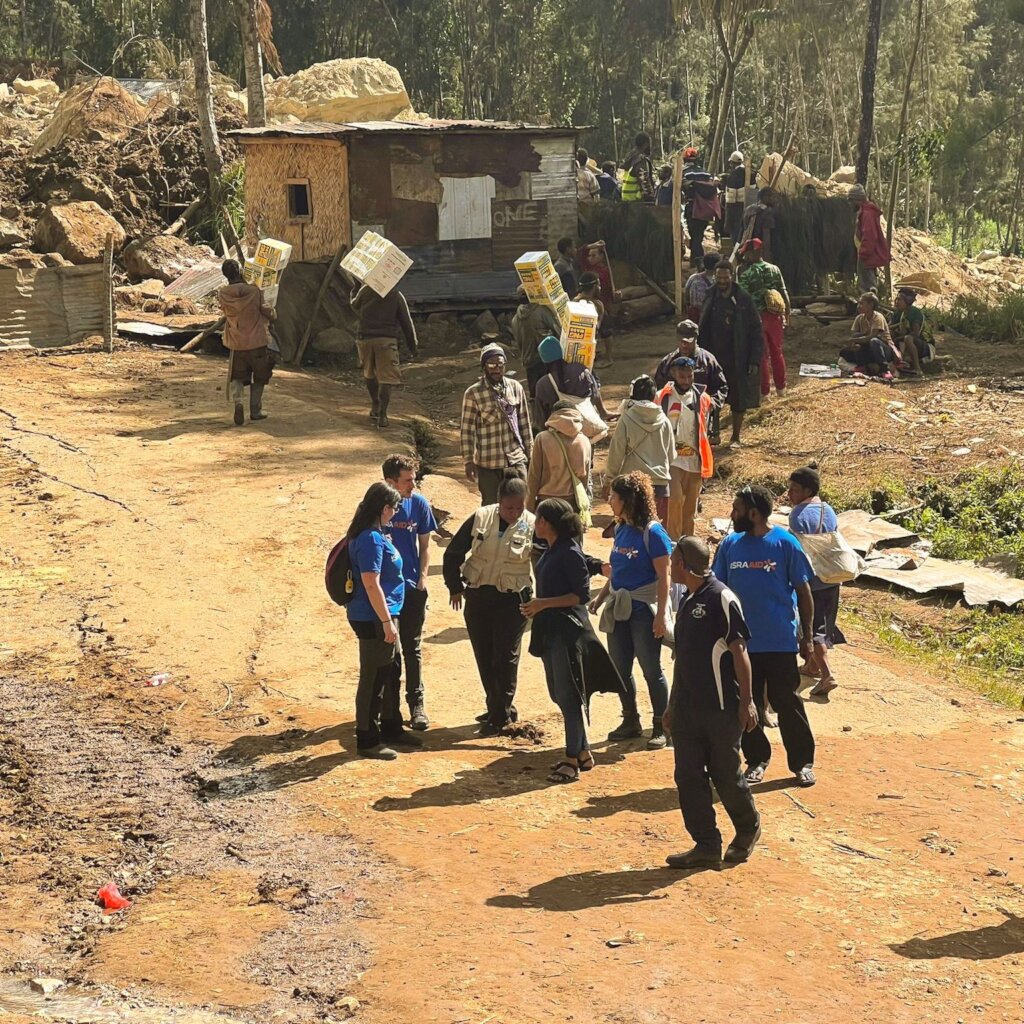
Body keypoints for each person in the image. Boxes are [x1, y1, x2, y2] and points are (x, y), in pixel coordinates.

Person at [662, 536, 760, 868]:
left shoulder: (722, 598)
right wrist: (672, 706)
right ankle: (706, 843)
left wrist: (747, 702)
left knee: (725, 774)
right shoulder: (688, 601)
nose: (671, 565)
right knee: (687, 776)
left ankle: (747, 829)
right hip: (688, 711)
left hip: (721, 708)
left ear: (682, 564)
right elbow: (683, 660)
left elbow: (740, 652)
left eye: (673, 560)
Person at [712, 485, 817, 788]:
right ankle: (756, 760)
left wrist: (807, 637)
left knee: (788, 702)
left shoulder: (785, 543)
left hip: (779, 641)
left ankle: (802, 763)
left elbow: (804, 591)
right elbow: (717, 589)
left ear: (754, 513)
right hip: (741, 644)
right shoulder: (730, 545)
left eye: (737, 509)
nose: (732, 515)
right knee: (747, 703)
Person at [523, 499, 626, 782]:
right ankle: (583, 751)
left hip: (568, 634)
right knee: (560, 693)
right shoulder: (557, 548)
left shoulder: (566, 552)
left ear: (548, 523)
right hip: (552, 632)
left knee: (569, 697)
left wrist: (542, 604)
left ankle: (570, 760)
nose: (536, 524)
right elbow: (583, 562)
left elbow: (579, 596)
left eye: (539, 519)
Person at [442, 470, 535, 733]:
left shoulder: (533, 524)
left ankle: (499, 716)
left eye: (519, 507)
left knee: (505, 657)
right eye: (508, 507)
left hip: (512, 600)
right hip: (479, 596)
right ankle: (499, 706)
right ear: (498, 501)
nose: (514, 513)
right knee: (484, 655)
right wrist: (454, 587)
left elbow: (546, 561)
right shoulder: (480, 517)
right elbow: (454, 553)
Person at [590, 472, 673, 749]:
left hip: (643, 611)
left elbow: (665, 576)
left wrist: (660, 615)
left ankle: (662, 725)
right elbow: (618, 571)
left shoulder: (653, 532)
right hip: (619, 607)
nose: (610, 501)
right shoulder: (622, 528)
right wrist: (602, 597)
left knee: (651, 669)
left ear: (627, 500)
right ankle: (631, 720)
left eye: (613, 497)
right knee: (620, 668)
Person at [345, 481, 420, 759]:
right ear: (384, 508)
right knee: (374, 677)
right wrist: (387, 622)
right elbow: (370, 583)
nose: (396, 512)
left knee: (391, 671)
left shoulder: (375, 534)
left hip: (385, 614)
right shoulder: (369, 539)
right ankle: (367, 738)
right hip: (376, 617)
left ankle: (391, 726)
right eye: (394, 507)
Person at [381, 454, 437, 731]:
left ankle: (417, 706)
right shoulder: (377, 507)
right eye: (407, 482)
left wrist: (423, 578)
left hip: (413, 587)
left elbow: (425, 545)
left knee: (412, 647)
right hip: (386, 591)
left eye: (414, 480)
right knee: (392, 650)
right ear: (391, 482)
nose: (412, 487)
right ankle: (389, 710)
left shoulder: (419, 503)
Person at [787, 465, 845, 699]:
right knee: (825, 623)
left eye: (794, 490)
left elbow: (796, 549)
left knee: (812, 628)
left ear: (807, 490)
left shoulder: (797, 515)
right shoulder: (828, 510)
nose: (789, 494)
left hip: (810, 579)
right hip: (832, 575)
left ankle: (827, 674)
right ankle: (811, 667)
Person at [698, 261, 763, 449]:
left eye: (726, 278)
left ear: (732, 277)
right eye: (719, 278)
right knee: (710, 395)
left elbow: (756, 330)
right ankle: (713, 433)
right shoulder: (710, 295)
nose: (722, 281)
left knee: (738, 398)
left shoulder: (743, 299)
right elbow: (702, 323)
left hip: (737, 357)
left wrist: (754, 359)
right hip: (712, 357)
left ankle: (735, 437)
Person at [460, 344, 533, 505]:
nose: (497, 369)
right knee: (491, 507)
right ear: (484, 367)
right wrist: (468, 461)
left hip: (515, 459)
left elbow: (525, 424)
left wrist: (531, 455)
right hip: (488, 463)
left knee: (520, 505)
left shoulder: (516, 388)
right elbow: (467, 431)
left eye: (500, 365)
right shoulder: (473, 393)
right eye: (492, 365)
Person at [656, 356, 715, 539]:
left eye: (690, 376)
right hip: (672, 459)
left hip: (695, 459)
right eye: (682, 377)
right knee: (674, 500)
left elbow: (706, 427)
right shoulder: (662, 397)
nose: (687, 381)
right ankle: (673, 542)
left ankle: (687, 543)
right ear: (674, 374)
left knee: (690, 506)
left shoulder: (702, 398)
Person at [351, 279, 419, 427]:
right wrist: (413, 347)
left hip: (365, 338)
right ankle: (383, 414)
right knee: (386, 378)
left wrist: (356, 287)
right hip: (386, 341)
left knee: (369, 374)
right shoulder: (396, 295)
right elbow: (407, 323)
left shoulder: (365, 290)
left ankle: (375, 403)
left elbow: (354, 306)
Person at [606, 375, 673, 522]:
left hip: (632, 485)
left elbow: (616, 451)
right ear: (655, 396)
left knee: (631, 530)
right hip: (660, 484)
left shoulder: (626, 418)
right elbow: (671, 455)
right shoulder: (665, 421)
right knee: (657, 530)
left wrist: (610, 478)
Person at [218, 259, 276, 426]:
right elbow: (267, 311)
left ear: (225, 275)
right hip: (257, 341)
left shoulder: (223, 294)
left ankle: (239, 403)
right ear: (240, 270)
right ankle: (255, 410)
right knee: (260, 375)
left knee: (236, 376)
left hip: (236, 343)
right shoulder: (254, 291)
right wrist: (273, 313)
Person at [738, 238, 791, 400]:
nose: (745, 257)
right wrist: (787, 314)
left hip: (756, 318)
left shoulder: (746, 274)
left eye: (747, 254)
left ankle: (765, 392)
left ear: (754, 252)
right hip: (775, 316)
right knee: (777, 353)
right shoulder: (774, 269)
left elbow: (742, 300)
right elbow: (783, 292)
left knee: (761, 356)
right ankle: (781, 389)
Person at [527, 400, 592, 514]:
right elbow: (584, 478)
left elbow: (534, 476)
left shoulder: (542, 438)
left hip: (546, 503)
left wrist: (529, 506)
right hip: (573, 503)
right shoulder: (585, 441)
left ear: (553, 416)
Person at [534, 335, 610, 424]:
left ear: (543, 359)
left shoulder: (543, 384)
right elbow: (595, 395)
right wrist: (602, 412)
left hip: (562, 431)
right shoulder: (580, 369)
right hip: (590, 425)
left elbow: (541, 417)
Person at [510, 285, 562, 398]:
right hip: (547, 360)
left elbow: (519, 343)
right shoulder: (541, 311)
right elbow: (558, 331)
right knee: (554, 392)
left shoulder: (515, 319)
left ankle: (537, 415)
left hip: (529, 361)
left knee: (535, 395)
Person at [841, 292, 899, 378]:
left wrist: (854, 340)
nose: (858, 306)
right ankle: (862, 366)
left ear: (870, 305)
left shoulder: (878, 317)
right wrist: (854, 343)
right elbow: (855, 335)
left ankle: (885, 369)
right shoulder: (859, 318)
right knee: (844, 352)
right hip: (869, 349)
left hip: (883, 350)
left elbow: (872, 337)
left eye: (861, 303)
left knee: (874, 341)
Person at [848, 184, 891, 293]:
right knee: (867, 285)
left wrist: (863, 253)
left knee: (867, 288)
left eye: (851, 201)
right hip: (865, 255)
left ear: (857, 200)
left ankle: (870, 308)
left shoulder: (867, 214)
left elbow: (870, 236)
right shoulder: (865, 212)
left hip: (867, 256)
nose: (850, 204)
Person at [683, 148, 720, 263]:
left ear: (685, 159)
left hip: (692, 207)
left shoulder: (684, 173)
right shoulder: (706, 173)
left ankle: (699, 260)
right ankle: (695, 260)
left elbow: (682, 188)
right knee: (698, 234)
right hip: (706, 210)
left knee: (694, 236)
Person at [576, 270, 615, 368]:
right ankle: (608, 358)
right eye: (599, 285)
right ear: (594, 287)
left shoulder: (574, 302)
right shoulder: (597, 305)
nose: (600, 287)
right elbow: (597, 328)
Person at [889, 287, 928, 377]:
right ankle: (895, 363)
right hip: (904, 343)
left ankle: (917, 368)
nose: (896, 302)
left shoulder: (915, 313)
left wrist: (899, 338)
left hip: (923, 345)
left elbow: (916, 334)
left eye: (900, 299)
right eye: (896, 299)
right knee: (890, 334)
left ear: (907, 301)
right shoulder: (899, 312)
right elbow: (889, 327)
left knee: (908, 338)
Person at [742, 187, 778, 262]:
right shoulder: (768, 213)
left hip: (748, 248)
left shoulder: (749, 209)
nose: (775, 199)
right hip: (761, 252)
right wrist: (767, 258)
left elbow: (744, 227)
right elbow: (766, 238)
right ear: (765, 197)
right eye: (773, 196)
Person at [683, 253, 719, 323]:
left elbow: (686, 294)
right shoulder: (718, 280)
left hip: (695, 314)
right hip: (711, 315)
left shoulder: (693, 278)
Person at [621, 132, 655, 203]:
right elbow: (645, 182)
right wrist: (651, 199)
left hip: (626, 201)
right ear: (646, 144)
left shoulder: (629, 157)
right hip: (636, 203)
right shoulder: (641, 160)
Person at [723, 150, 747, 244]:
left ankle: (736, 256)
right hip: (750, 211)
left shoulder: (733, 176)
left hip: (736, 212)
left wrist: (728, 222)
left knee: (736, 239)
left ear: (732, 163)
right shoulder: (752, 173)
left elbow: (730, 200)